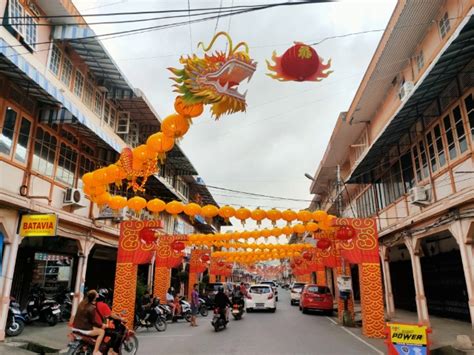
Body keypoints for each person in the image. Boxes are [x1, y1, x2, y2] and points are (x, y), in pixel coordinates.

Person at [71, 290, 105, 355]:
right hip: (84, 329)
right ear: (94, 297)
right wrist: (102, 325)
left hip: (75, 327)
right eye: (97, 294)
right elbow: (93, 321)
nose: (98, 295)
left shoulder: (81, 303)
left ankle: (87, 346)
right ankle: (95, 351)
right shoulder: (92, 307)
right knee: (102, 332)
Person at [95, 289, 125, 355]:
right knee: (116, 334)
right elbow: (111, 315)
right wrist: (121, 319)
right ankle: (111, 351)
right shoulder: (103, 305)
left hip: (89, 326)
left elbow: (107, 314)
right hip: (98, 327)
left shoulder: (93, 304)